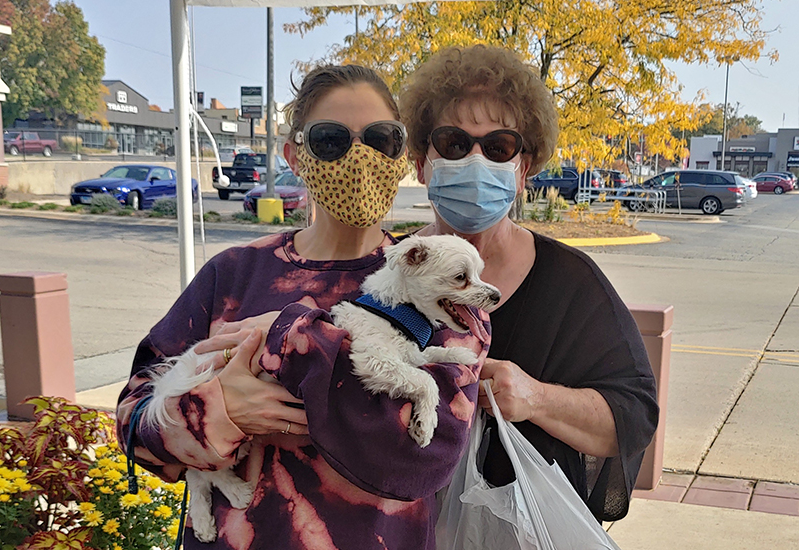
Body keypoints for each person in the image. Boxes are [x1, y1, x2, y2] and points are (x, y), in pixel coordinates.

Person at [116, 64, 491, 550]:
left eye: (381, 139)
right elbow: (134, 425)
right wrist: (218, 411)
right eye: (331, 140)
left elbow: (423, 456)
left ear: (401, 154)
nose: (359, 158)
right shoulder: (233, 274)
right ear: (294, 155)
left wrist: (292, 337)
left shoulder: (437, 285)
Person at [399, 45, 659, 522]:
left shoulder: (572, 286)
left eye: (498, 147)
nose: (476, 161)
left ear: (523, 171)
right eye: (454, 143)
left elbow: (632, 419)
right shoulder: (385, 273)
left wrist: (536, 398)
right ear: (421, 161)